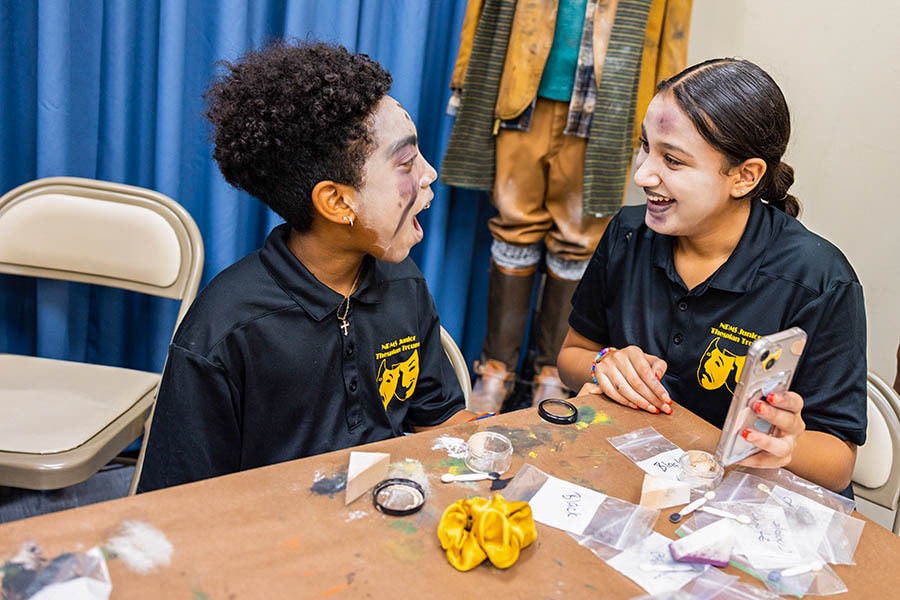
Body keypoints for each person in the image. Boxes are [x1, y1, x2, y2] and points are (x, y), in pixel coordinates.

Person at [137, 41, 473, 492]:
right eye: (408, 163)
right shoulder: (224, 333)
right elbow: (179, 503)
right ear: (336, 201)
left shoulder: (403, 285)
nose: (430, 174)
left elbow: (440, 420)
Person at [557, 58, 867, 496]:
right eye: (645, 146)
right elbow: (572, 356)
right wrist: (604, 364)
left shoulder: (818, 280)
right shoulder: (628, 235)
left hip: (751, 506)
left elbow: (838, 463)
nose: (643, 173)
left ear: (745, 176)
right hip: (634, 480)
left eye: (673, 160)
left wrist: (784, 445)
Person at [442, 0, 692, 412]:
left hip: (606, 108)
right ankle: (495, 371)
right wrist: (465, 77)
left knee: (579, 242)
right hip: (523, 92)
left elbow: (673, 37)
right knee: (513, 226)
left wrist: (663, 116)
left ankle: (553, 375)